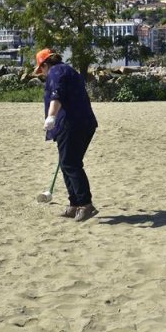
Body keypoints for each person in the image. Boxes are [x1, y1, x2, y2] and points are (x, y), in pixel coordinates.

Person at [36, 48, 99, 221]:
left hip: (71, 124)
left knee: (70, 164)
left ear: (46, 64)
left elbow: (57, 95)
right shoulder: (69, 70)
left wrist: (51, 117)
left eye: (41, 68)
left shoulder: (55, 72)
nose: (41, 73)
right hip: (85, 123)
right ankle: (74, 204)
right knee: (67, 163)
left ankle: (86, 204)